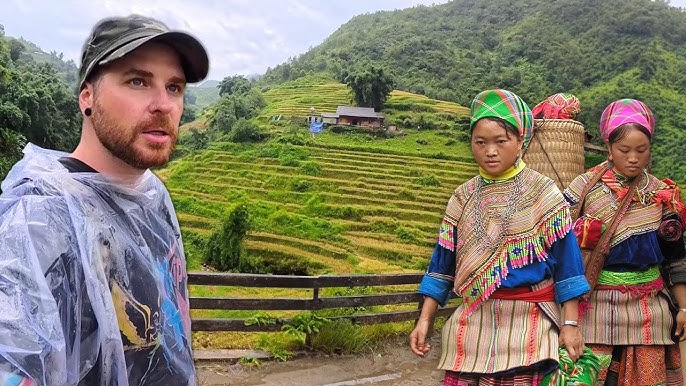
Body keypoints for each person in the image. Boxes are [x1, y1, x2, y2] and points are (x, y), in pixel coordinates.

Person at [0, 14, 209, 385]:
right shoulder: (40, 217)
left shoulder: (153, 197)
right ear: (88, 96)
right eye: (137, 81)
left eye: (174, 87)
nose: (163, 104)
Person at [409, 89, 590, 385]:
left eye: (500, 141)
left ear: (520, 141)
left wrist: (570, 324)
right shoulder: (462, 197)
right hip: (473, 322)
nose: (490, 151)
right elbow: (442, 266)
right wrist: (425, 320)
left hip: (530, 323)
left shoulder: (543, 194)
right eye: (480, 142)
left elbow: (567, 267)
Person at [564, 99, 686, 385]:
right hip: (594, 308)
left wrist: (683, 307)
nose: (633, 158)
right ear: (608, 148)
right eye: (624, 150)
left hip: (648, 312)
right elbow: (559, 247)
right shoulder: (583, 189)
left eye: (641, 151)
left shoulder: (662, 195)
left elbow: (676, 256)